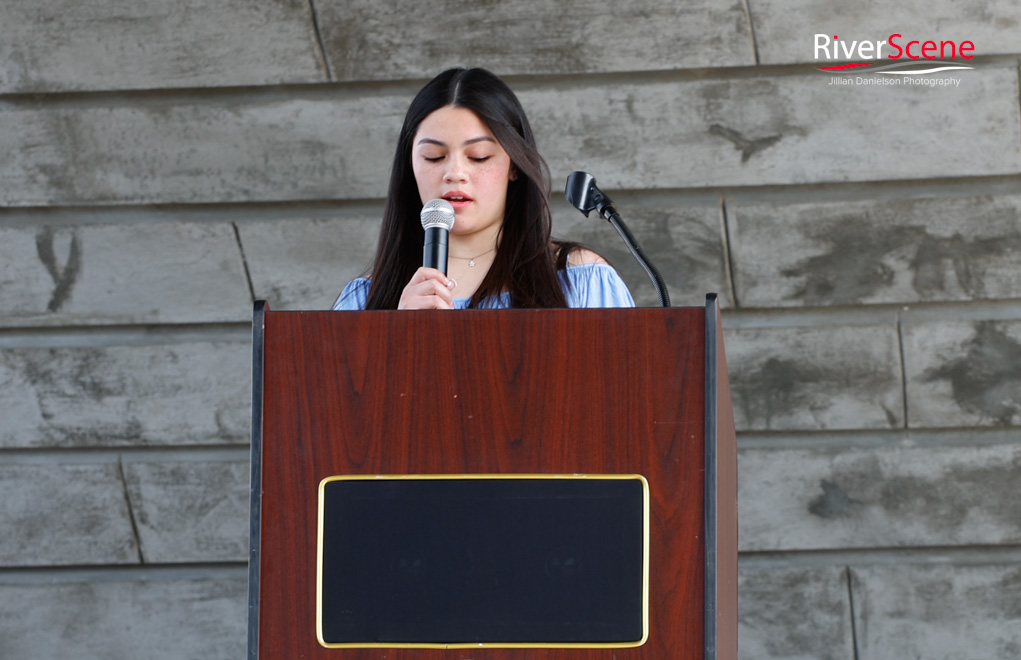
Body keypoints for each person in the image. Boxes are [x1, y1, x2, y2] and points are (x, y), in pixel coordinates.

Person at [333, 67, 634, 310]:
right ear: (410, 167)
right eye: (434, 157)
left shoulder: (578, 279)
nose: (455, 174)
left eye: (479, 157)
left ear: (514, 164)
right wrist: (399, 340)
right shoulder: (364, 301)